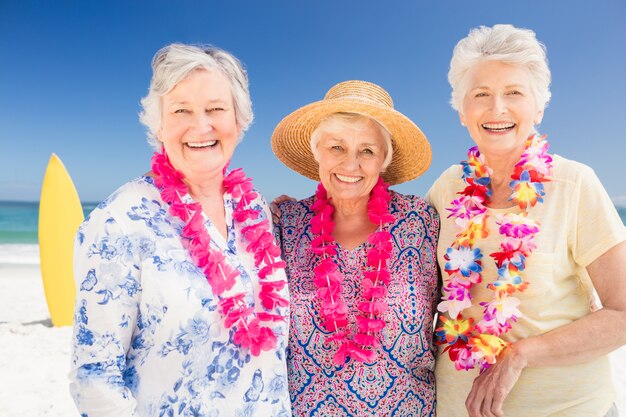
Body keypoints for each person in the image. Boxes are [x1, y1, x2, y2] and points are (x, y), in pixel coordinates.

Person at [69, 43, 291, 417]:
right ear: (158, 124)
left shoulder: (254, 209)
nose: (201, 126)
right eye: (181, 110)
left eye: (216, 109)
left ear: (239, 120)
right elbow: (95, 379)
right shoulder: (119, 222)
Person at [427, 24, 626, 417]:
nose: (496, 108)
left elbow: (622, 312)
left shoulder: (574, 184)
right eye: (480, 94)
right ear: (462, 111)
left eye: (513, 93)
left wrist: (519, 355)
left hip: (568, 408)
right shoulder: (446, 189)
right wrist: (294, 214)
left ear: (538, 107)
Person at [270, 80, 439, 416]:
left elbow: (465, 309)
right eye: (336, 147)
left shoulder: (422, 222)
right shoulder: (284, 224)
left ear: (384, 162)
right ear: (317, 152)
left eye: (367, 150)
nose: (350, 164)